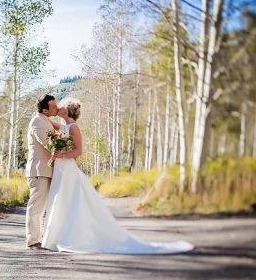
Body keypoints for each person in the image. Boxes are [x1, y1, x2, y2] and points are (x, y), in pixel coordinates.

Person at [40, 97, 194, 254]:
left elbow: (78, 151)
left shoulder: (73, 128)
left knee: (69, 201)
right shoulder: (62, 125)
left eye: (62, 105)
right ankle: (54, 238)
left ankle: (70, 237)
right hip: (60, 169)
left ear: (68, 110)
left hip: (68, 169)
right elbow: (45, 120)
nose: (58, 106)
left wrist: (62, 155)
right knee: (60, 201)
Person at [24, 94, 58, 248]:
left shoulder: (45, 120)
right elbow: (47, 143)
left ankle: (41, 238)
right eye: (53, 107)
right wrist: (63, 146)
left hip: (46, 170)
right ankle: (32, 240)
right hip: (38, 170)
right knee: (36, 207)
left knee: (42, 208)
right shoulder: (37, 121)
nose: (56, 108)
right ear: (45, 110)